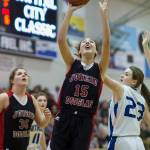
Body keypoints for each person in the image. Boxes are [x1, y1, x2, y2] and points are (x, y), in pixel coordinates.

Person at [50, 0, 110, 150]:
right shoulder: (72, 63)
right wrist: (70, 11)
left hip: (85, 121)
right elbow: (61, 40)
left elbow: (107, 42)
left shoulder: (100, 69)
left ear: (96, 52)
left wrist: (103, 15)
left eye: (91, 42)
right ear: (79, 51)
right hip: (65, 116)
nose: (88, 42)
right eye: (84, 42)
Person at [0, 68, 51, 150]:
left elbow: (41, 124)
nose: (24, 75)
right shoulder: (4, 97)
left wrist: (47, 118)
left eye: (25, 74)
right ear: (12, 80)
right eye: (19, 73)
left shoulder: (32, 99)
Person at [104, 66, 150, 150]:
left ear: (134, 81)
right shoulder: (142, 99)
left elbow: (102, 76)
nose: (122, 76)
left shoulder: (121, 89)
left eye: (126, 74)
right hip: (138, 142)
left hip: (121, 140)